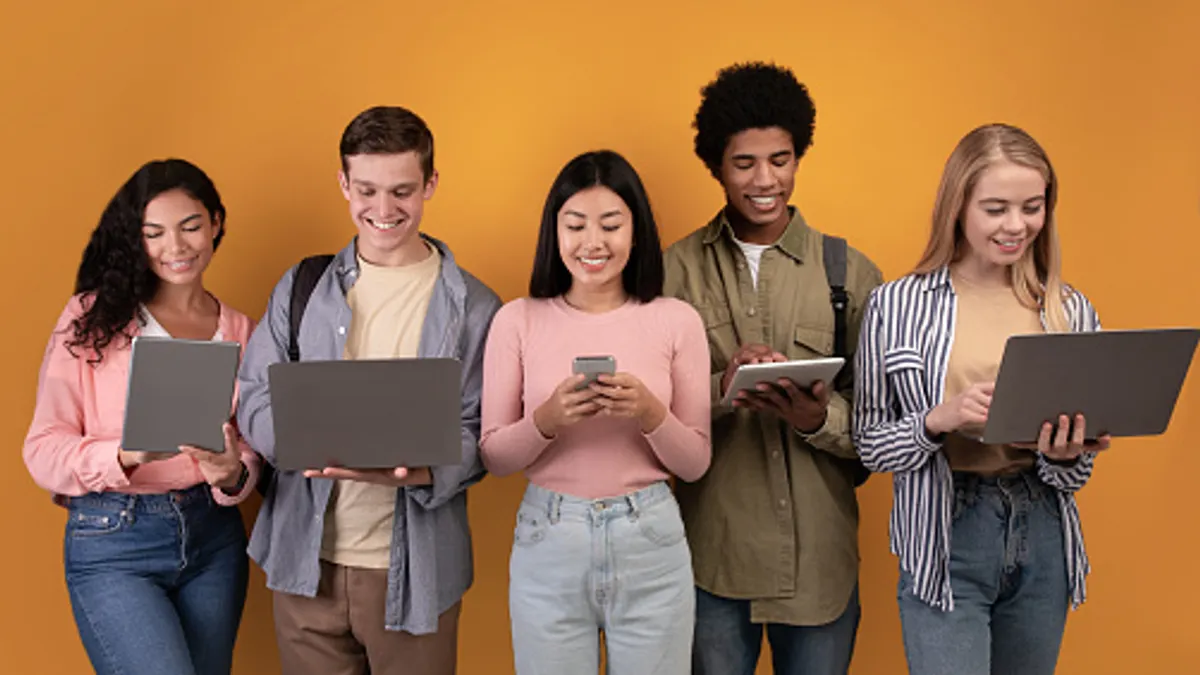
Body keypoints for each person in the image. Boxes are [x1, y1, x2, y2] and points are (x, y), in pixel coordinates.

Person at [236, 105, 501, 675]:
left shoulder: (476, 308)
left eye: (402, 190)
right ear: (343, 184)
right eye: (367, 190)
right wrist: (304, 441)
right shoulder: (301, 287)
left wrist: (424, 470)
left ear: (431, 183)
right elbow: (255, 391)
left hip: (415, 578)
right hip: (306, 567)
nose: (383, 210)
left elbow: (484, 430)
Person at [853, 122, 1110, 675]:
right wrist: (935, 420)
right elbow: (870, 445)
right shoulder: (896, 305)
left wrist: (1066, 455)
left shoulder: (1070, 310)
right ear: (958, 206)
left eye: (1032, 207)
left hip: (1042, 532)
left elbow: (1072, 477)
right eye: (996, 209)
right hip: (948, 532)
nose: (1017, 226)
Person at [662, 62, 883, 675]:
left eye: (780, 159)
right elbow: (644, 415)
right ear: (715, 166)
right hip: (711, 559)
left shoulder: (850, 274)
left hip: (821, 567)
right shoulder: (671, 272)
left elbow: (885, 428)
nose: (766, 180)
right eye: (745, 163)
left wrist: (820, 418)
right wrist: (721, 391)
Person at [23, 158, 259, 675]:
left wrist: (234, 472)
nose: (176, 248)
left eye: (190, 226)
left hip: (214, 538)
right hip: (114, 537)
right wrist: (125, 454)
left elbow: (253, 449)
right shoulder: (91, 320)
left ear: (216, 222)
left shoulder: (242, 330)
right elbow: (41, 450)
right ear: (136, 239)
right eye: (154, 234)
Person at [480, 150, 711, 674]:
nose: (593, 243)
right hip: (549, 535)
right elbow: (494, 455)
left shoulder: (677, 321)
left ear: (637, 231)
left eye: (611, 224)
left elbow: (695, 463)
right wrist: (546, 421)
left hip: (649, 535)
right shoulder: (516, 321)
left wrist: (651, 413)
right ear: (554, 231)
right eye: (575, 224)